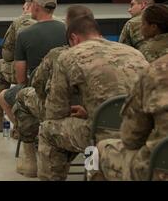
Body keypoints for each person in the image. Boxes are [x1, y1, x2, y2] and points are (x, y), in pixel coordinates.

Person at [37, 16, 149, 181]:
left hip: (100, 134)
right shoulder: (135, 53)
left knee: (48, 129)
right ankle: (93, 172)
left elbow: (56, 110)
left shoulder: (69, 56)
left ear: (74, 38)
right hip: (140, 132)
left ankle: (90, 171)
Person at [13, 5, 94, 177]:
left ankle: (31, 161)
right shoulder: (124, 53)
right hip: (107, 125)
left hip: (69, 118)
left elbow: (37, 84)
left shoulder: (58, 55)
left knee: (24, 98)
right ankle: (92, 170)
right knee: (95, 138)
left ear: (70, 29)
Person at [0, 0, 66, 127]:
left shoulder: (24, 34)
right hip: (63, 90)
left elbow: (21, 79)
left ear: (35, 6)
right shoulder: (66, 28)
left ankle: (26, 132)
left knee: (2, 97)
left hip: (37, 91)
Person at [94, 54, 168, 181]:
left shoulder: (157, 70)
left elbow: (131, 139)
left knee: (93, 152)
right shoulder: (137, 55)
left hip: (159, 170)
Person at [0, 0, 35, 132]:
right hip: (51, 73)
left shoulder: (20, 21)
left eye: (23, 8)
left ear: (28, 7)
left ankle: (0, 120)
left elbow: (7, 55)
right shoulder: (59, 22)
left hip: (27, 73)